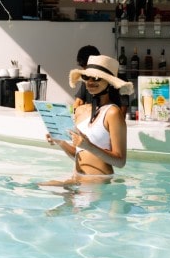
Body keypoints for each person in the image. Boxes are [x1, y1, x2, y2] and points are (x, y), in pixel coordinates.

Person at [42, 54, 132, 184]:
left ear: (109, 83)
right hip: (77, 178)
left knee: (38, 188)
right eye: (86, 77)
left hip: (98, 182)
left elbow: (120, 161)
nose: (89, 82)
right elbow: (78, 153)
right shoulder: (80, 111)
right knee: (35, 187)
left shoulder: (113, 113)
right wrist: (60, 142)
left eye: (96, 78)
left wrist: (89, 146)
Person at [71, 44, 100, 109]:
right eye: (83, 67)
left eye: (87, 66)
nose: (85, 71)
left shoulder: (110, 83)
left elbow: (120, 110)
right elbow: (78, 102)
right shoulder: (86, 79)